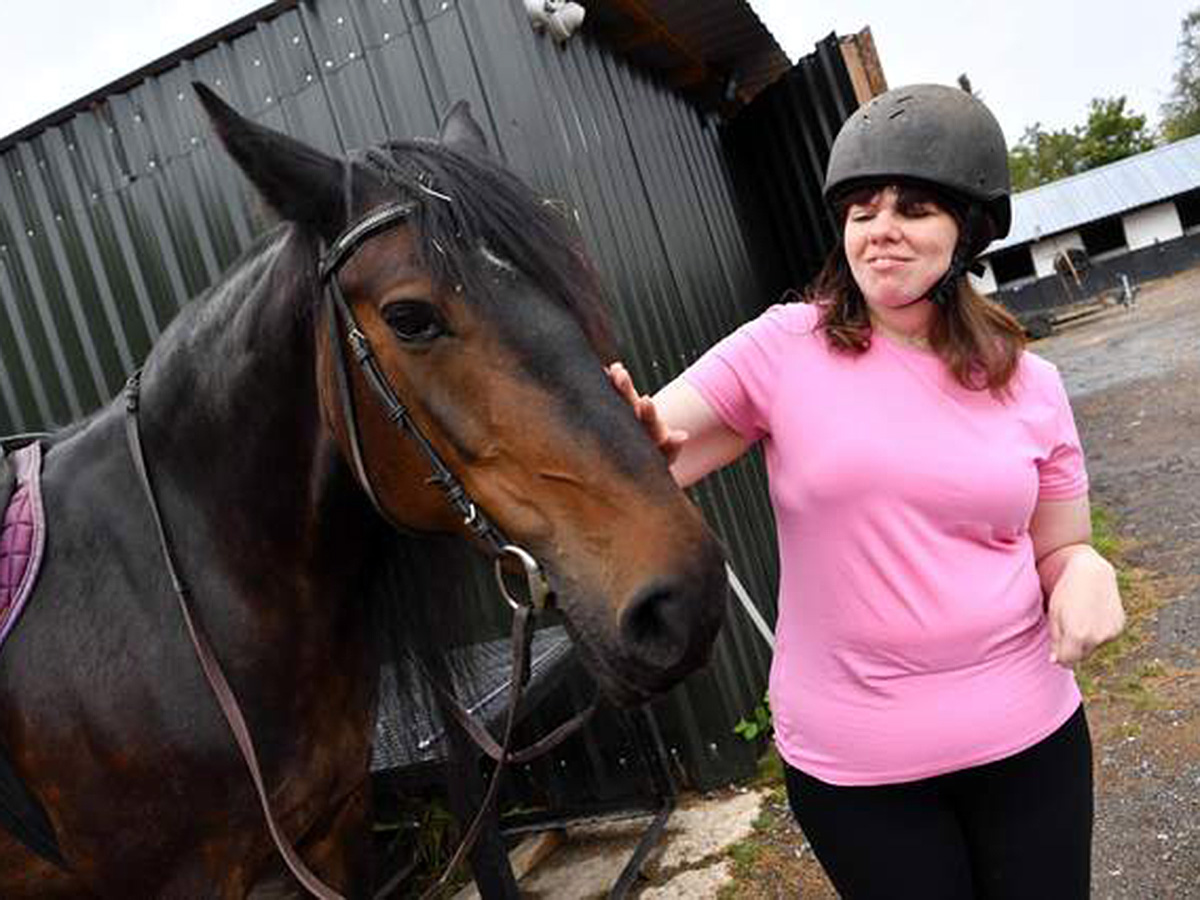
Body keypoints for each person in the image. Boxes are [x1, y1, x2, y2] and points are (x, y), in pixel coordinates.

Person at [607, 84, 1125, 899]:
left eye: (913, 207)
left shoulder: (1033, 385)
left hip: (1030, 740)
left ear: (969, 231)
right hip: (860, 773)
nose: (880, 228)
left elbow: (1060, 545)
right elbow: (654, 450)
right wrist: (622, 441)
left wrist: (1088, 571)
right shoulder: (784, 348)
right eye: (860, 209)